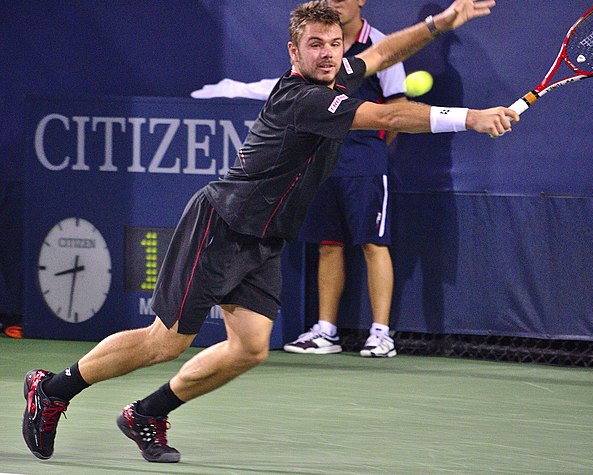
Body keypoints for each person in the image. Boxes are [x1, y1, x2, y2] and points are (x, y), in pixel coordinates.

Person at [23, 0, 516, 464]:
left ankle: (146, 413)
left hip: (264, 237)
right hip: (223, 225)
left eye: (334, 44)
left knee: (250, 347)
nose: (328, 53)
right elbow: (386, 115)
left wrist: (441, 23)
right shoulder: (304, 99)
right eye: (315, 45)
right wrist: (470, 117)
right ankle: (52, 390)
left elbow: (383, 52)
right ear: (294, 52)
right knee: (164, 343)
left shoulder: (337, 74)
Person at [284, 0, 406, 358]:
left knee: (373, 244)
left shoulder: (382, 46)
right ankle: (326, 331)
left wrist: (369, 147)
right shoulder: (312, 48)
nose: (334, 2)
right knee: (328, 245)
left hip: (366, 164)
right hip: (323, 163)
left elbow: (396, 111)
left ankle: (381, 334)